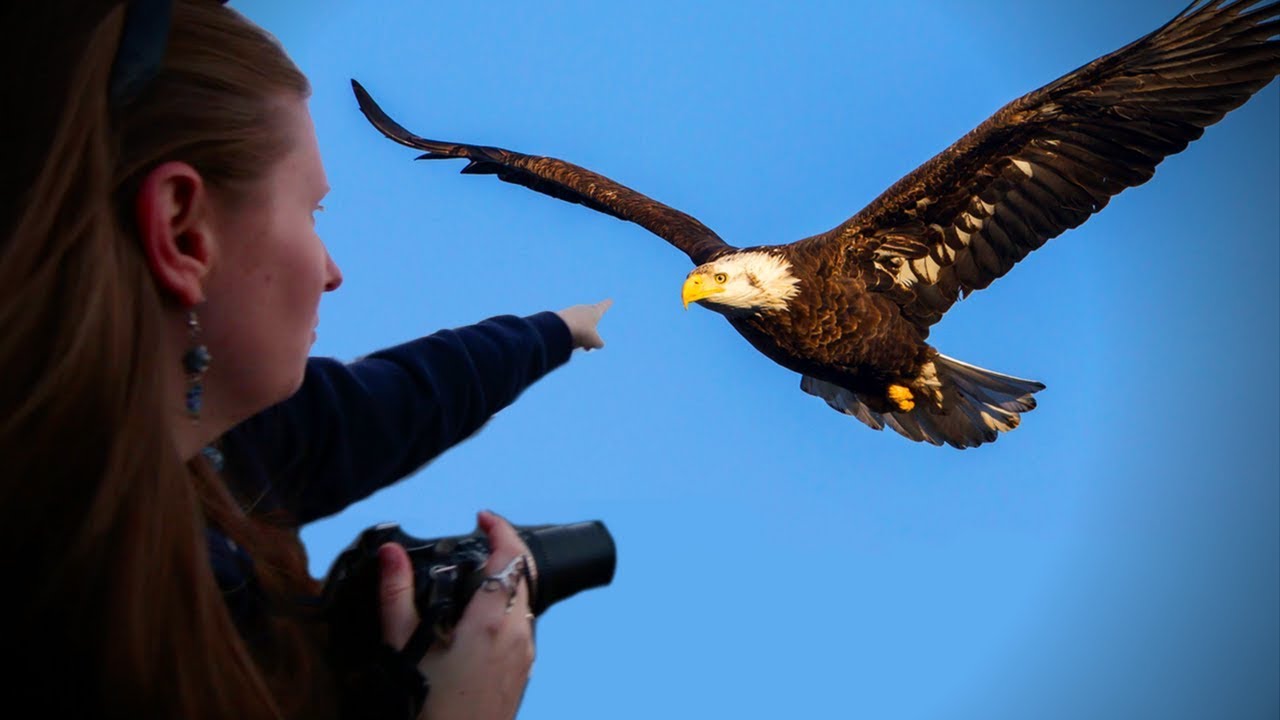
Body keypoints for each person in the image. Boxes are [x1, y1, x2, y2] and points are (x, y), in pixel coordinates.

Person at [0, 1, 609, 718]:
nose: (332, 270)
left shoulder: (209, 462)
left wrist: (555, 332)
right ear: (183, 233)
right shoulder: (86, 627)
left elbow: (380, 408)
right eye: (312, 212)